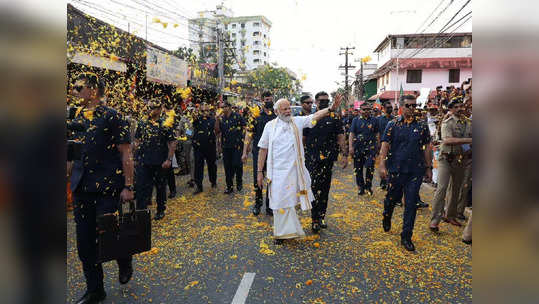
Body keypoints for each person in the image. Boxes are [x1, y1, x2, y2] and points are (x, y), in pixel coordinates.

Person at [69, 73, 134, 303]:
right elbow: (72, 154)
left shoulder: (113, 117)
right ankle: (95, 290)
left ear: (94, 90)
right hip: (81, 188)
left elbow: (126, 153)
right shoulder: (75, 117)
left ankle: (124, 258)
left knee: (110, 235)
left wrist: (128, 186)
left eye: (79, 87)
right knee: (85, 242)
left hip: (108, 188)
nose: (74, 91)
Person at [256, 96, 343, 244]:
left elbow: (314, 116)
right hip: (276, 172)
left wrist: (330, 109)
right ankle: (281, 233)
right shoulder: (269, 126)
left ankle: (286, 233)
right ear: (277, 111)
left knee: (289, 202)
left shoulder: (297, 122)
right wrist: (259, 172)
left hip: (293, 171)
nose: (288, 111)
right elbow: (263, 149)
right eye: (285, 109)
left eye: (289, 108)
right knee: (277, 202)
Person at [379, 94, 432, 251]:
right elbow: (385, 145)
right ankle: (387, 215)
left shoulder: (422, 126)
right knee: (391, 198)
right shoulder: (392, 124)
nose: (412, 109)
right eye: (408, 106)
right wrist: (382, 165)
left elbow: (427, 147)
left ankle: (406, 236)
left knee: (411, 204)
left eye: (414, 106)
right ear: (401, 107)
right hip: (396, 169)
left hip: (415, 171)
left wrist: (429, 168)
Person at [304, 91, 347, 232]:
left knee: (325, 189)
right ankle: (314, 218)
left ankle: (321, 216)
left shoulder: (335, 117)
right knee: (314, 187)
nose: (324, 103)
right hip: (312, 158)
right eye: (321, 101)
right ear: (316, 102)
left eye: (326, 101)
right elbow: (303, 139)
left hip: (328, 159)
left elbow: (340, 136)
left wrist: (344, 154)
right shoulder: (310, 118)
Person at [429, 100, 472, 231]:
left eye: (461, 106)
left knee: (456, 189)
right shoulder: (447, 122)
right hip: (446, 159)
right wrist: (470, 140)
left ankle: (450, 215)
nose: (460, 109)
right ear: (451, 109)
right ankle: (435, 220)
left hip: (459, 160)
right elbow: (448, 140)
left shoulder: (468, 123)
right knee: (441, 189)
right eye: (456, 107)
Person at [134, 100, 176, 220]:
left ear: (159, 109)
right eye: (149, 107)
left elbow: (172, 142)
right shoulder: (142, 123)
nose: (150, 110)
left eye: (153, 108)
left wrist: (169, 159)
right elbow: (137, 141)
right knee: (142, 187)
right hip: (144, 162)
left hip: (160, 162)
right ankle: (141, 212)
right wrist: (135, 157)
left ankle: (160, 210)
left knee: (160, 187)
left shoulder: (165, 124)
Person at [241, 91, 276, 216]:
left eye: (270, 99)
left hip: (273, 153)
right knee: (258, 179)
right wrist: (245, 152)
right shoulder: (255, 116)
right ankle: (258, 203)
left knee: (271, 179)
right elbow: (248, 134)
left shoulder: (276, 116)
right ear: (262, 100)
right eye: (266, 99)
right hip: (258, 153)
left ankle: (270, 205)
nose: (269, 102)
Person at [349, 102, 379, 196]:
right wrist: (350, 147)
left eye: (368, 109)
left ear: (371, 110)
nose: (366, 111)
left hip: (371, 149)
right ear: (360, 110)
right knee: (358, 169)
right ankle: (361, 187)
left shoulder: (375, 120)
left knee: (370, 168)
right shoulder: (355, 120)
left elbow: (377, 134)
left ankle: (368, 187)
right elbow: (352, 134)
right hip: (358, 148)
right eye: (364, 109)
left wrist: (378, 147)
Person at [217, 100, 246, 194]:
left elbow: (245, 128)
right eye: (221, 107)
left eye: (224, 107)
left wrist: (246, 144)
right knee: (227, 167)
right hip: (226, 147)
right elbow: (218, 132)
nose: (222, 109)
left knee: (237, 165)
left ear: (228, 107)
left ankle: (239, 183)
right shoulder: (221, 118)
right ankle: (229, 186)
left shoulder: (237, 116)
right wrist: (219, 146)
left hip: (237, 146)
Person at [192, 102, 219, 194]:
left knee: (212, 165)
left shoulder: (212, 120)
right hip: (198, 147)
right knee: (198, 167)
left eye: (206, 110)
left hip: (210, 146)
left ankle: (213, 182)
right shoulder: (196, 119)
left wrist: (217, 119)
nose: (204, 112)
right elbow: (191, 123)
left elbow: (217, 131)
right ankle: (199, 186)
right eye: (202, 111)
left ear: (209, 111)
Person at [376, 102, 394, 190]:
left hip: (392, 145)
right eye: (388, 108)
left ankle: (389, 181)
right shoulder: (379, 119)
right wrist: (378, 143)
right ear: (383, 108)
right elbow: (378, 132)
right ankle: (383, 181)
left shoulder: (394, 119)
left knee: (390, 163)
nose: (390, 109)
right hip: (383, 144)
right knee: (383, 162)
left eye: (391, 107)